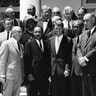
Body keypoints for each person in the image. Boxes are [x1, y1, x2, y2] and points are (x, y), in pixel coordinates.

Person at [24, 26, 51, 96]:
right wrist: (29, 73)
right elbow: (27, 60)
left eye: (39, 32)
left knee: (44, 93)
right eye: (36, 32)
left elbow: (48, 58)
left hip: (44, 75)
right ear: (33, 33)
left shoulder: (46, 43)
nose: (37, 33)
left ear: (42, 33)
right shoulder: (29, 44)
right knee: (33, 93)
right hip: (33, 75)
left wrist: (49, 73)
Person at [49, 20, 72, 96]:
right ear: (54, 29)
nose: (58, 30)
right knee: (54, 92)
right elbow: (49, 56)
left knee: (64, 91)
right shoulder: (50, 40)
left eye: (59, 28)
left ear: (62, 29)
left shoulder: (68, 40)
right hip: (53, 71)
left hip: (63, 71)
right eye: (56, 28)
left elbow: (69, 56)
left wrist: (67, 69)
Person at [0, 26, 24, 96]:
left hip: (18, 75)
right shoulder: (6, 43)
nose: (21, 33)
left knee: (16, 94)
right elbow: (2, 60)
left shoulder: (21, 46)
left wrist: (22, 74)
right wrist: (2, 75)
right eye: (19, 32)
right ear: (13, 33)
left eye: (21, 32)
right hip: (9, 75)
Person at [77, 13, 96, 96]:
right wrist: (80, 58)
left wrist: (85, 58)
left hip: (93, 71)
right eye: (84, 21)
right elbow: (78, 47)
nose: (84, 23)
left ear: (93, 20)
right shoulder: (84, 34)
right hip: (84, 70)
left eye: (87, 21)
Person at [71, 20, 84, 96]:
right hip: (73, 72)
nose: (75, 29)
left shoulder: (86, 39)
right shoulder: (72, 40)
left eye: (77, 27)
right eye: (74, 27)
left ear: (82, 27)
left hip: (82, 71)